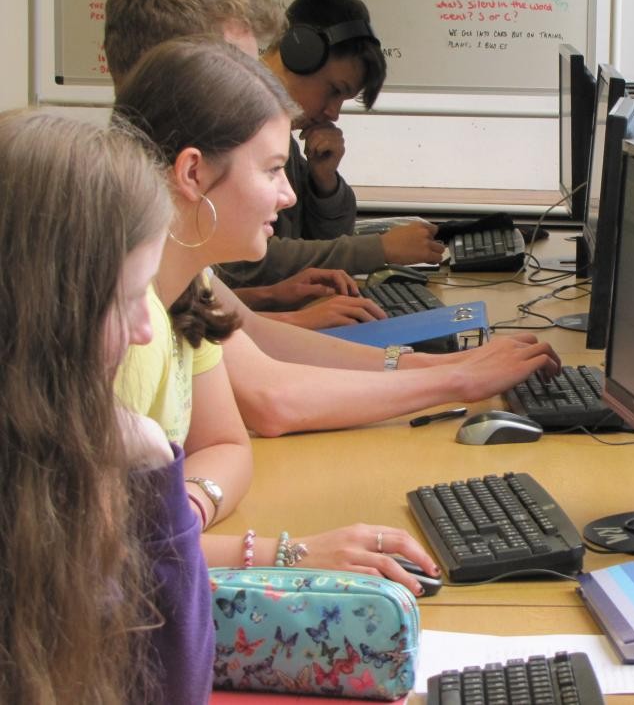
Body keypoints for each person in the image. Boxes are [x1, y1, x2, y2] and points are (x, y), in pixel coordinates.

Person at [112, 38, 559, 583]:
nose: (288, 194)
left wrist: (187, 510)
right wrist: (284, 555)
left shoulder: (183, 284)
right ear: (192, 173)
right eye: (272, 170)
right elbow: (103, 554)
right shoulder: (123, 328)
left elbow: (225, 446)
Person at [0, 110, 211, 704]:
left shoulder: (48, 464)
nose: (147, 330)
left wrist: (150, 460)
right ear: (44, 313)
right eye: (125, 301)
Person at [105, 0, 383, 330]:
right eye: (237, 70)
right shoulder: (123, 242)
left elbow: (208, 317)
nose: (287, 194)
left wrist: (271, 298)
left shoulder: (162, 231)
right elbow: (257, 375)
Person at [216, 0, 445, 292]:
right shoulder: (234, 127)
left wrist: (323, 184)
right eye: (335, 90)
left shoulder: (281, 138)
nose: (334, 113)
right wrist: (379, 249)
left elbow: (317, 248)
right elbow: (247, 263)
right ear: (300, 54)